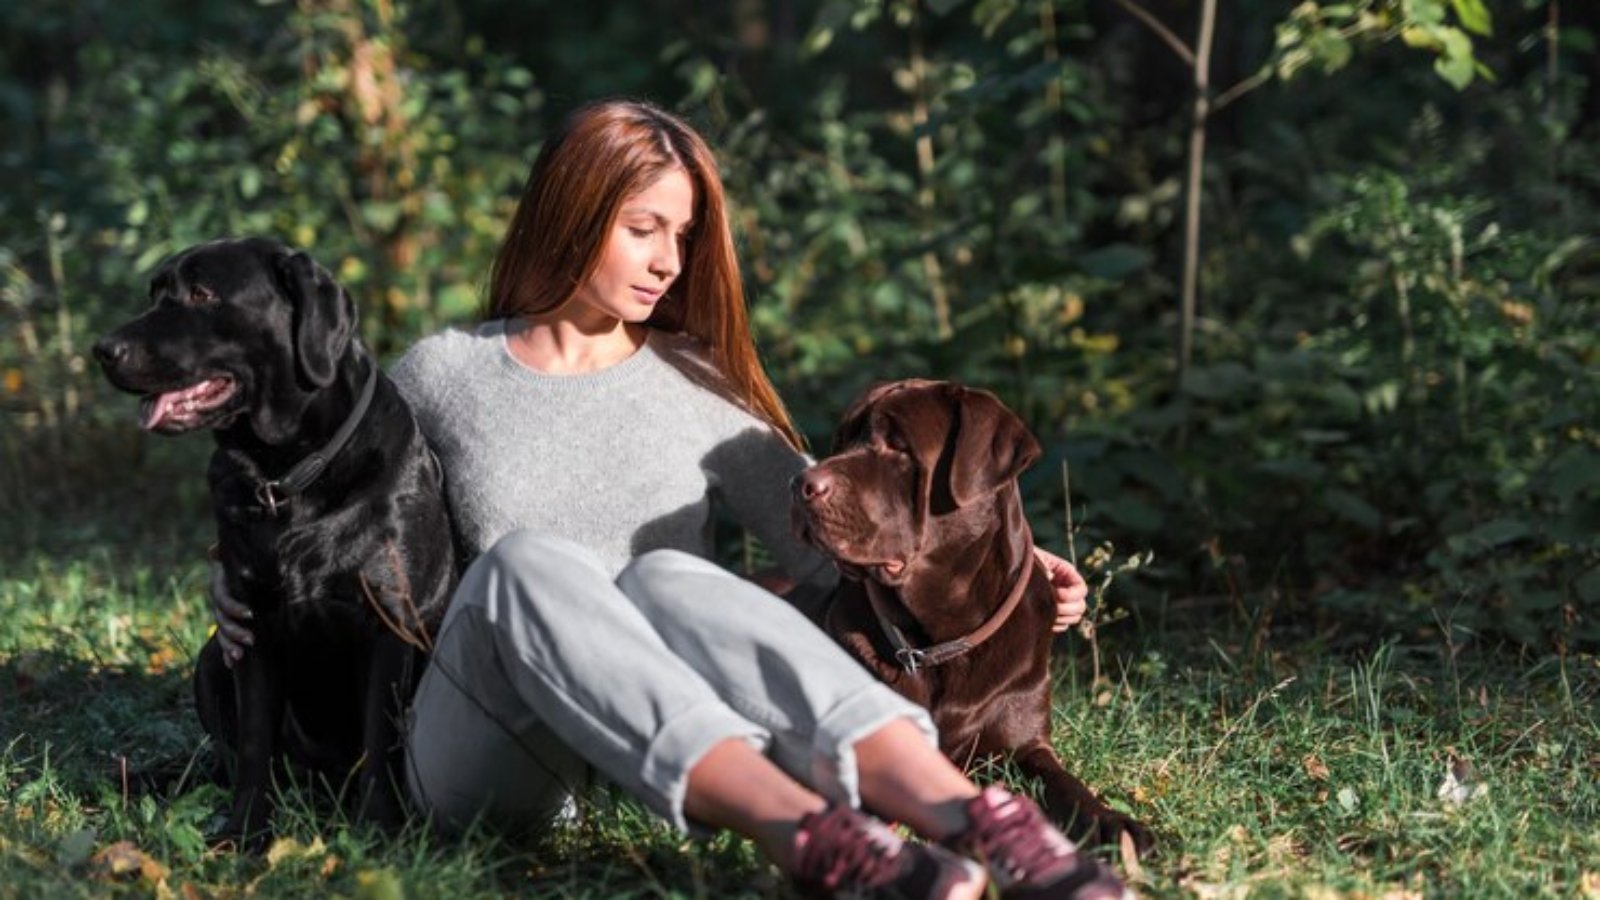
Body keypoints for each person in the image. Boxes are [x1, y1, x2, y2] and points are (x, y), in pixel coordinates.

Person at [211, 98, 1128, 900]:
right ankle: (804, 834)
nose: (668, 261)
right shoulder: (443, 374)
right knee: (529, 563)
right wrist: (243, 589)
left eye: (683, 237)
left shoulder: (698, 386)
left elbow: (839, 542)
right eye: (643, 228)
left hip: (661, 759)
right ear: (573, 213)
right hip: (483, 755)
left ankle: (977, 821)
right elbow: (326, 519)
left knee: (669, 579)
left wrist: (1003, 567)